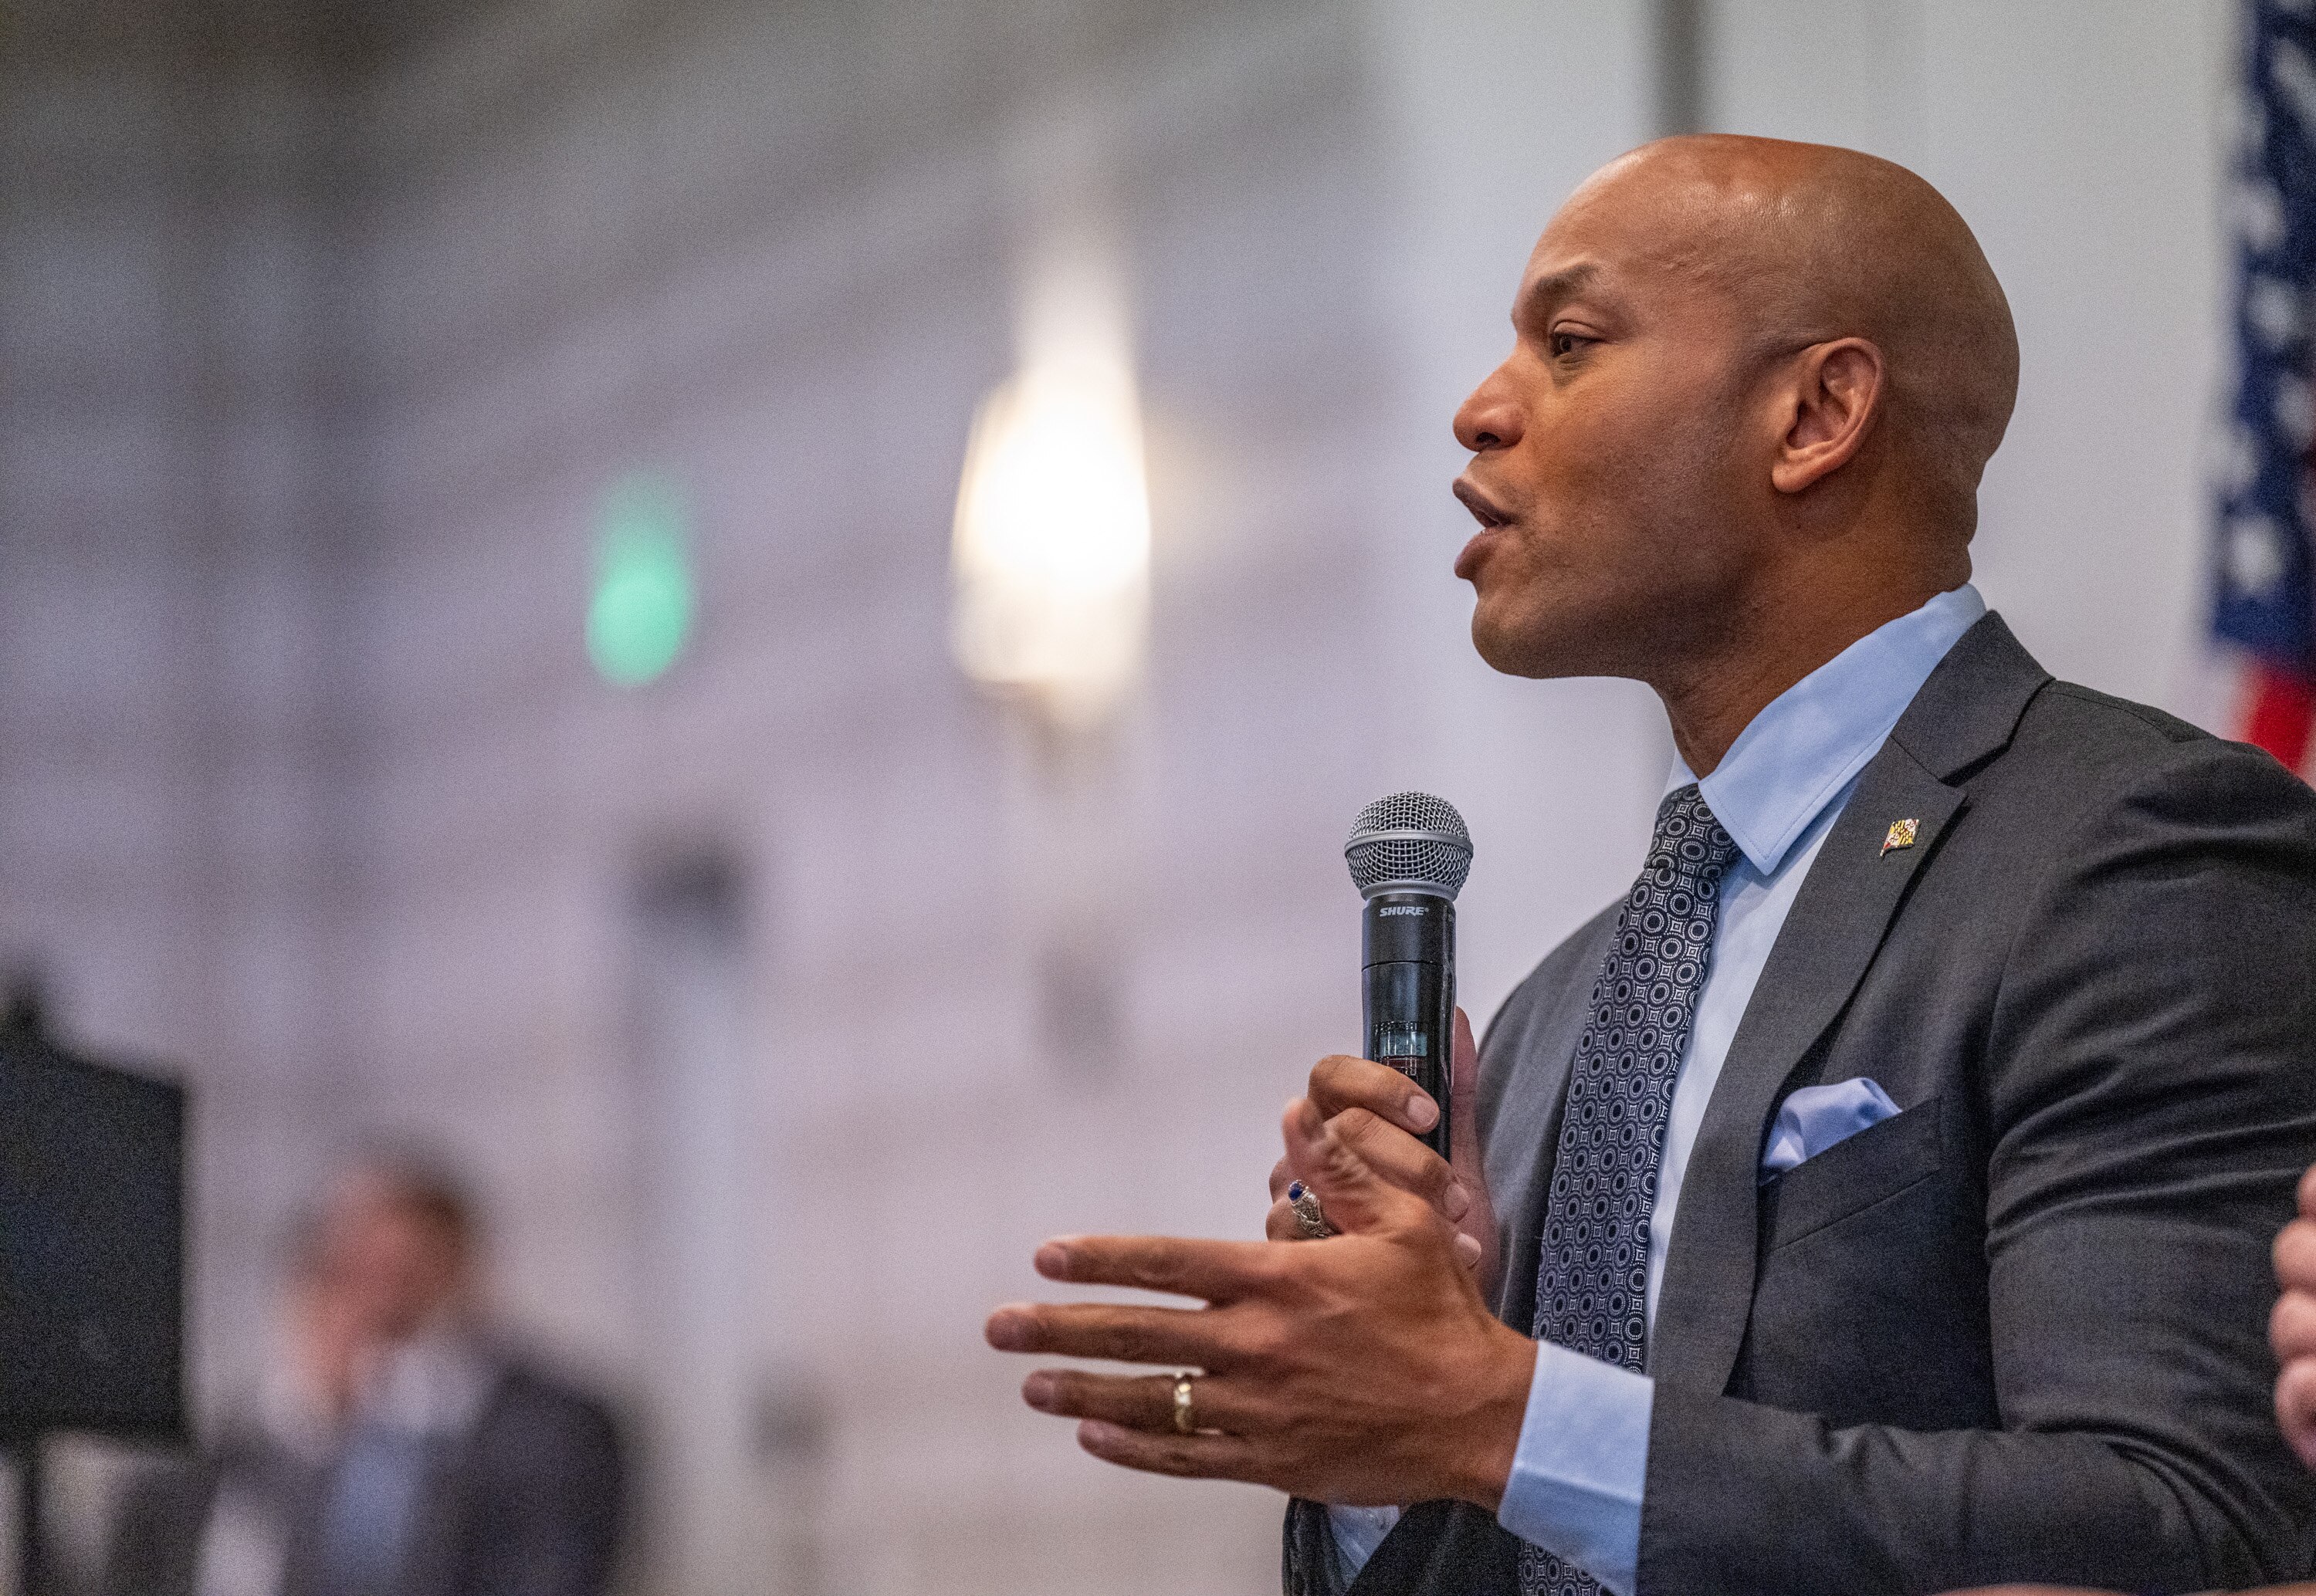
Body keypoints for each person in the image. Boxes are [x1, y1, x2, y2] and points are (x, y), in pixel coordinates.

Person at [984, 134, 2316, 1596]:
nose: (1480, 411)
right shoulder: (1562, 1015)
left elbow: (2184, 1522)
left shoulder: (2132, 856)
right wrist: (1377, 1453)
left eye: (1568, 343)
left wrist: (1491, 1409)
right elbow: (1523, 1495)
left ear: (1815, 413)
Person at [107, 1155, 627, 1596]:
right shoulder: (243, 1441)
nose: (372, 1308)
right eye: (342, 1274)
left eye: (403, 1279)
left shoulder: (553, 1429)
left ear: (464, 1275)